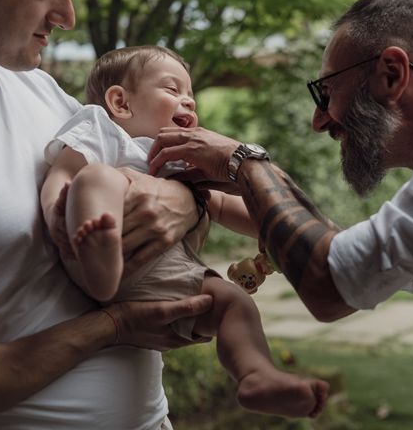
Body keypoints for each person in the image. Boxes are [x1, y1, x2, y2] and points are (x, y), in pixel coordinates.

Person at [148, 0, 413, 360]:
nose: (318, 120)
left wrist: (244, 162)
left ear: (391, 74)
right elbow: (353, 253)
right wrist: (257, 177)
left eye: (325, 92)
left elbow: (332, 285)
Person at [0, 0, 215, 428]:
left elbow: (136, 167)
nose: (67, 15)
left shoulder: (38, 90)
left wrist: (185, 201)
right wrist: (111, 328)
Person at [40, 44, 329, 419]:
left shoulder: (180, 158)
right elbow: (62, 173)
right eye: (173, 90)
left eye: (190, 94)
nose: (189, 102)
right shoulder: (103, 129)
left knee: (233, 304)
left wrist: (273, 225)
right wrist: (52, 213)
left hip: (164, 274)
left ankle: (256, 375)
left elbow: (221, 205)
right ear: (120, 103)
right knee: (97, 177)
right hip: (93, 244)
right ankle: (101, 256)